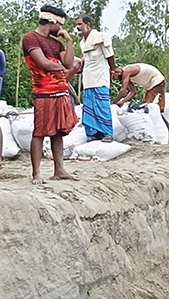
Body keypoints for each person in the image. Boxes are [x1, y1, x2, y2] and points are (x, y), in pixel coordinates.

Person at [22, 5, 79, 184]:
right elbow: (43, 63)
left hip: (60, 92)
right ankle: (36, 173)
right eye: (60, 25)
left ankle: (59, 170)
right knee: (39, 132)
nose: (62, 29)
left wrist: (69, 41)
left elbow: (69, 62)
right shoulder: (31, 38)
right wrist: (61, 67)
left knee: (58, 133)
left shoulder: (57, 43)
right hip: (43, 92)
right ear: (52, 22)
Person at [76, 14, 116, 142]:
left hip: (100, 76)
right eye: (76, 25)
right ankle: (93, 133)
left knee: (101, 104)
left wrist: (113, 69)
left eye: (80, 24)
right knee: (89, 105)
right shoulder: (82, 42)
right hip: (88, 78)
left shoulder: (100, 38)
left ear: (88, 25)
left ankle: (107, 133)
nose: (78, 27)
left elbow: (110, 55)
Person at [111, 63, 169, 135]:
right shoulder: (127, 75)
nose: (116, 80)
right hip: (152, 86)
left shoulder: (127, 71)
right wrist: (123, 101)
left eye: (114, 77)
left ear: (117, 72)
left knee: (150, 108)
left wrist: (113, 103)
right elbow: (133, 92)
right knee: (150, 108)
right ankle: (168, 128)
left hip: (157, 82)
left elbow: (123, 91)